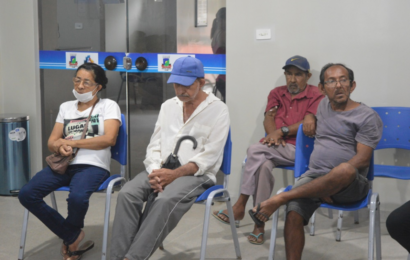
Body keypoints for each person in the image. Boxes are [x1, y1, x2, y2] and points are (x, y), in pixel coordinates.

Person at [249, 63, 383, 260]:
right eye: (331, 81)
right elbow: (309, 113)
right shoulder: (322, 106)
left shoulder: (367, 116)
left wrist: (330, 184)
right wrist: (309, 116)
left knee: (344, 169)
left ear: (352, 85)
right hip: (313, 177)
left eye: (343, 80)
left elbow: (362, 160)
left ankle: (278, 199)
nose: (338, 85)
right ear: (322, 89)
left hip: (350, 184)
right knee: (294, 213)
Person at [110, 56, 230, 260]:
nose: (180, 90)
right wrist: (156, 171)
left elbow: (210, 156)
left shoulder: (218, 110)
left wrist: (174, 175)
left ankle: (133, 257)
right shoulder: (168, 106)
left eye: (186, 85)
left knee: (164, 200)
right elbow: (155, 144)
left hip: (195, 174)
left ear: (201, 82)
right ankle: (117, 257)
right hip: (161, 168)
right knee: (127, 194)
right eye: (176, 85)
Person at [212, 55, 324, 245]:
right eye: (289, 74)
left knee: (254, 150)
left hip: (301, 151)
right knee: (262, 166)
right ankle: (259, 225)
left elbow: (307, 123)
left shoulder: (317, 95)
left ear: (308, 76)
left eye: (298, 75)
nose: (292, 79)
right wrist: (273, 136)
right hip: (275, 147)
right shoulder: (277, 93)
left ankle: (240, 204)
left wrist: (281, 132)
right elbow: (269, 116)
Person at [19, 63, 121, 260]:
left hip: (93, 165)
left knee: (77, 197)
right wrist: (60, 146)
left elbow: (109, 139)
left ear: (98, 86)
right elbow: (52, 141)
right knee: (27, 193)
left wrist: (73, 143)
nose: (80, 86)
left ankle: (70, 239)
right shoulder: (66, 107)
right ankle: (72, 235)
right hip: (63, 164)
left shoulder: (108, 106)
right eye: (77, 80)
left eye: (86, 82)